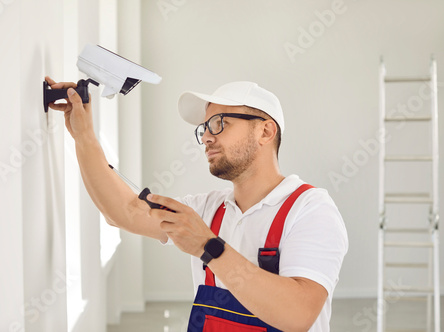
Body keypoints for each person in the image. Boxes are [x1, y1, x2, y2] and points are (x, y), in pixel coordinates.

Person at [45, 77, 348, 332]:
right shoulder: (207, 210)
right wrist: (83, 135)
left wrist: (209, 246)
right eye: (203, 128)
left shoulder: (310, 209)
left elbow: (298, 314)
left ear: (265, 131)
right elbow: (122, 212)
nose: (206, 137)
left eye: (219, 123)